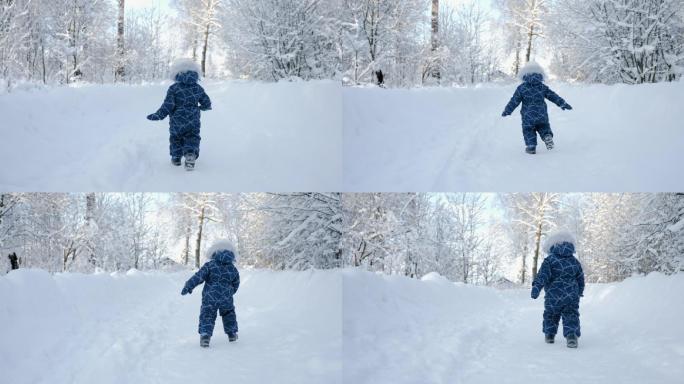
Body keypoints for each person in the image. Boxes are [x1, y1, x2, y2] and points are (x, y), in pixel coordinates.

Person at [147, 59, 212, 170]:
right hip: (193, 119)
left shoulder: (174, 88)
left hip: (177, 120)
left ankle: (176, 158)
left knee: (176, 137)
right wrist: (202, 108)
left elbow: (168, 105)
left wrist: (159, 115)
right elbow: (206, 102)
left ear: (176, 73)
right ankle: (190, 153)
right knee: (192, 137)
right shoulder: (198, 88)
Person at [502, 61, 572, 154]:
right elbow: (553, 96)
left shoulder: (521, 88)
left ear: (524, 74)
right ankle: (547, 136)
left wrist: (507, 110)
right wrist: (562, 103)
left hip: (528, 115)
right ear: (540, 74)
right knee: (544, 126)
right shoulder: (542, 87)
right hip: (541, 114)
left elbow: (514, 101)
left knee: (528, 129)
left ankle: (531, 147)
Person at [531, 230, 585, 348]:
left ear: (552, 245)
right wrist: (580, 291)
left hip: (553, 295)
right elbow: (580, 277)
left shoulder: (550, 260)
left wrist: (536, 287)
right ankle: (571, 337)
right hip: (571, 295)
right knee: (571, 315)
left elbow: (543, 276)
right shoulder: (574, 261)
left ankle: (550, 335)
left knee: (551, 314)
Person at [181, 240, 240, 348]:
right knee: (229, 314)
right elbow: (236, 282)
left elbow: (198, 277)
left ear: (214, 252)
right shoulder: (233, 268)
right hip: (226, 298)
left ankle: (205, 337)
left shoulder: (210, 265)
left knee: (207, 315)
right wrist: (230, 292)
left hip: (210, 297)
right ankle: (232, 334)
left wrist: (188, 286)